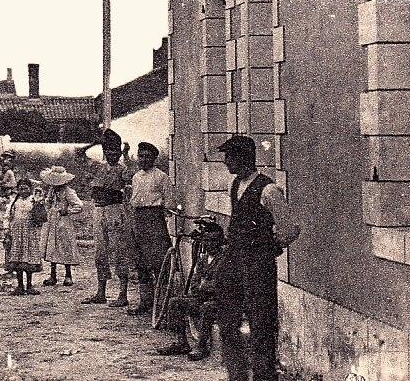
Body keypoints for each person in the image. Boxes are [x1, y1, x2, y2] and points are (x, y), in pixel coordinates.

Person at [215, 135, 301, 381]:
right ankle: (238, 376)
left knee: (261, 326)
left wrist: (270, 246)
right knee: (228, 322)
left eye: (229, 157)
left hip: (258, 266)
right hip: (234, 261)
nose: (226, 162)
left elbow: (290, 228)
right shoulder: (235, 185)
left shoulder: (269, 189)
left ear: (243, 158)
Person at [156, 221, 224, 360]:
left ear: (221, 241)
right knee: (175, 302)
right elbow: (194, 283)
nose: (210, 244)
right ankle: (182, 342)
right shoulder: (203, 259)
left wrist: (204, 286)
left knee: (207, 308)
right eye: (207, 240)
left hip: (221, 302)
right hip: (202, 297)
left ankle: (202, 346)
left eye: (214, 241)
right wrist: (203, 287)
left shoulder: (225, 260)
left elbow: (221, 286)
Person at [82, 128, 133, 307]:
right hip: (99, 210)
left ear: (119, 153)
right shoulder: (98, 167)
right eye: (109, 152)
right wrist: (95, 143)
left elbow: (130, 176)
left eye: (116, 153)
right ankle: (101, 292)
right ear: (105, 152)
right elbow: (79, 155)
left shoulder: (122, 169)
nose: (112, 156)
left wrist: (126, 155)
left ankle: (123, 294)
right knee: (100, 253)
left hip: (114, 210)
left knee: (119, 251)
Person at [127, 141, 175, 316]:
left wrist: (161, 217)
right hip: (138, 219)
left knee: (158, 263)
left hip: (154, 220)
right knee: (141, 263)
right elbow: (134, 200)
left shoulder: (161, 177)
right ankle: (145, 302)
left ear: (154, 158)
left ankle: (161, 304)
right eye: (141, 156)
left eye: (147, 156)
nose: (143, 159)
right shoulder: (136, 177)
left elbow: (169, 202)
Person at [38, 166, 83, 287]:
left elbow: (79, 205)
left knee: (65, 246)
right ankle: (53, 275)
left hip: (63, 222)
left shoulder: (68, 191)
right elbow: (48, 202)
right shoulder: (52, 190)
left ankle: (68, 275)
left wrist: (67, 210)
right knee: (52, 246)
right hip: (52, 221)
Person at [2, 179, 46, 295]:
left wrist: (38, 203)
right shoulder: (14, 201)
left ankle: (30, 285)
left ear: (30, 189)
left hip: (30, 232)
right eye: (20, 188)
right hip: (16, 232)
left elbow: (41, 217)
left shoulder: (34, 200)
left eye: (25, 188)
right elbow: (7, 216)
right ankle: (20, 285)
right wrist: (6, 229)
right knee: (17, 258)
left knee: (28, 258)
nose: (23, 191)